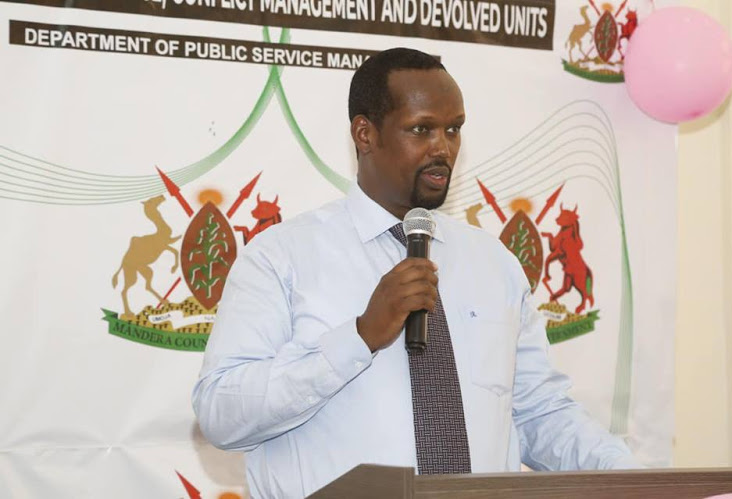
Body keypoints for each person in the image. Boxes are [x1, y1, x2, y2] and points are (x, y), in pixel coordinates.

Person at [192, 47, 641, 498]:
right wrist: (360, 336)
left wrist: (638, 478)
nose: (443, 147)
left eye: (454, 129)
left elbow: (540, 413)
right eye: (421, 129)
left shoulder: (494, 263)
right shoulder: (282, 257)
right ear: (365, 134)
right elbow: (221, 414)